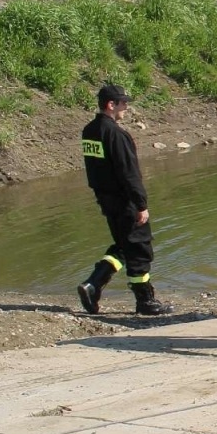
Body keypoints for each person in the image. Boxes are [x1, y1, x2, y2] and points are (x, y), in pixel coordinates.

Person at [75, 83, 172, 316]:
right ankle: (145, 302)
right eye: (123, 103)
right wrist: (141, 204)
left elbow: (95, 170)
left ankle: (93, 284)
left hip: (106, 200)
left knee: (123, 244)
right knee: (139, 248)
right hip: (125, 201)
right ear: (111, 105)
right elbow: (129, 173)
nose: (126, 107)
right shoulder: (116, 134)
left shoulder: (89, 131)